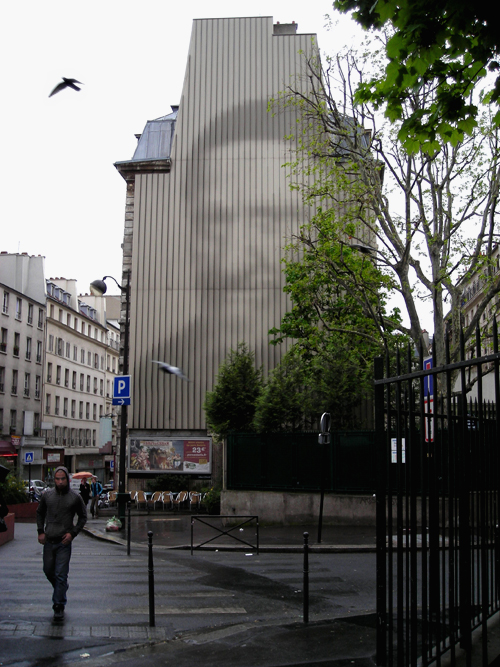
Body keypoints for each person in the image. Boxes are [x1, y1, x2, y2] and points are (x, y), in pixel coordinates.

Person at [36, 466, 87, 621]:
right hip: (49, 540)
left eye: (62, 479)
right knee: (48, 570)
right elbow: (40, 512)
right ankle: (61, 587)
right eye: (57, 479)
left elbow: (83, 517)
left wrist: (72, 533)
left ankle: (58, 605)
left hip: (64, 542)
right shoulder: (47, 496)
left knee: (60, 574)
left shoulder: (74, 497)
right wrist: (40, 531)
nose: (60, 481)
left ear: (67, 479)